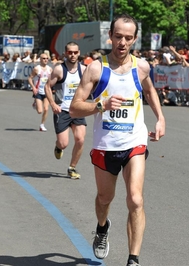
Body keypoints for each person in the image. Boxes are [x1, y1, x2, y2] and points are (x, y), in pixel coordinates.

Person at [69, 14, 165, 266]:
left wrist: (160, 117)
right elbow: (75, 109)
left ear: (134, 39)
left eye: (128, 38)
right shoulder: (96, 68)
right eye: (118, 36)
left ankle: (133, 259)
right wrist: (101, 105)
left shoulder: (141, 67)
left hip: (134, 141)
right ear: (110, 36)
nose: (123, 42)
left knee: (135, 199)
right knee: (104, 199)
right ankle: (102, 228)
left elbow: (149, 90)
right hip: (105, 145)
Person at [45, 42, 87, 179]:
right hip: (62, 110)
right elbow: (47, 86)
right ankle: (58, 146)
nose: (73, 55)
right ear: (65, 53)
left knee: (80, 139)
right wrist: (52, 104)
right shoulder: (59, 69)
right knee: (64, 143)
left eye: (75, 52)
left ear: (79, 53)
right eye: (70, 52)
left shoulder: (84, 69)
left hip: (78, 109)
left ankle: (72, 168)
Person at [28, 53, 52, 132]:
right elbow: (30, 78)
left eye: (47, 58)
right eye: (44, 58)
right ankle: (35, 103)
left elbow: (51, 80)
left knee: (46, 109)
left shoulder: (50, 69)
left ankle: (42, 125)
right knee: (40, 111)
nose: (46, 60)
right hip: (38, 91)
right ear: (40, 60)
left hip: (46, 91)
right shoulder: (36, 69)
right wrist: (33, 87)